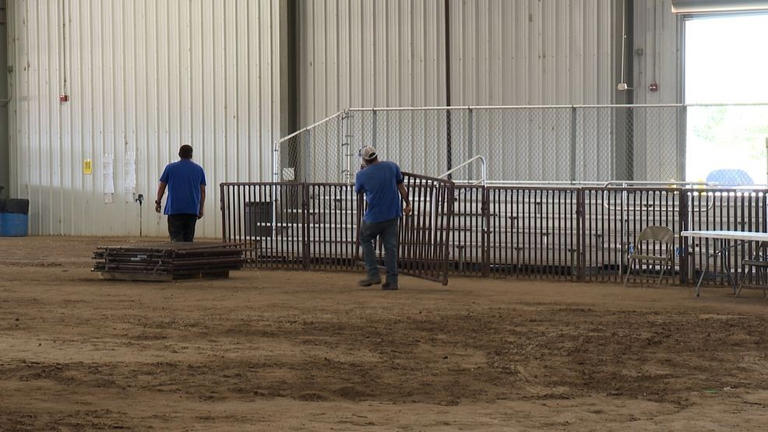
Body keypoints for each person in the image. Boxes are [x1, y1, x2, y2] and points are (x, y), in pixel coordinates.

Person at [355, 146, 411, 290]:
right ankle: (392, 281)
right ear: (377, 155)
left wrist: (363, 172)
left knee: (365, 239)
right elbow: (401, 187)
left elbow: (359, 190)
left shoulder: (362, 175)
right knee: (390, 248)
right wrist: (408, 204)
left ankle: (373, 273)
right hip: (392, 214)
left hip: (374, 216)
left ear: (364, 160)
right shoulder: (392, 167)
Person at [155, 145, 207, 242]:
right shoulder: (199, 169)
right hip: (192, 210)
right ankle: (186, 256)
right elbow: (202, 191)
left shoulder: (170, 168)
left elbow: (162, 187)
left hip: (174, 209)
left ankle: (177, 256)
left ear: (179, 154)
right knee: (188, 240)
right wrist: (201, 209)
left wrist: (158, 202)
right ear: (191, 155)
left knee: (176, 240)